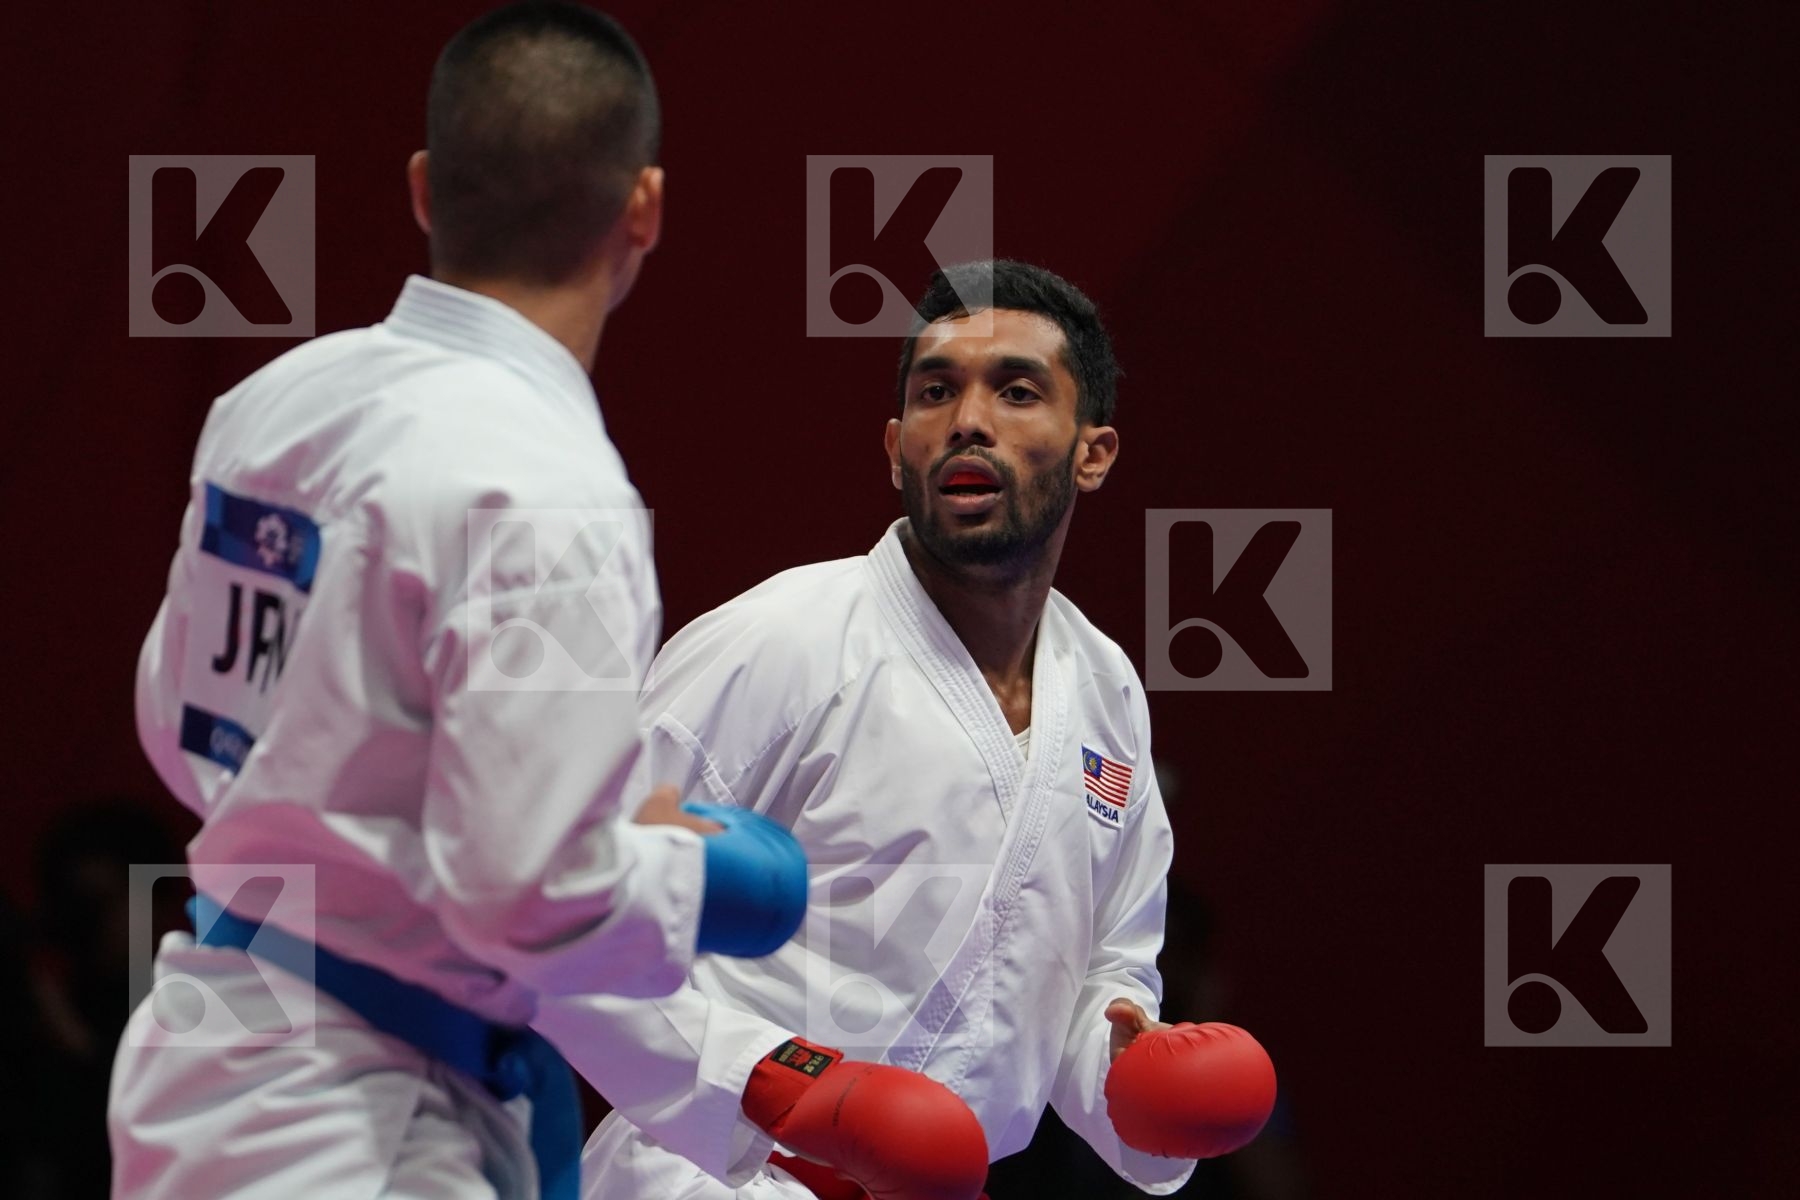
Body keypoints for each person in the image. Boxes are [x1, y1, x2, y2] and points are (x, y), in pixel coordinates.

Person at [108, 6, 804, 1199]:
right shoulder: (551, 491)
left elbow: (184, 731)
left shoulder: (277, 401)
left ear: (427, 188)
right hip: (362, 1120)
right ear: (644, 210)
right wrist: (708, 881)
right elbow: (532, 898)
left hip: (208, 1053)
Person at [538, 260, 1266, 1198]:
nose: (968, 419)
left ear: (1094, 451)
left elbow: (1105, 956)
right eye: (936, 391)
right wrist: (782, 1084)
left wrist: (1126, 1060)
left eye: (1015, 389)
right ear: (895, 447)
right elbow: (564, 909)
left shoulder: (1105, 688)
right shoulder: (780, 643)